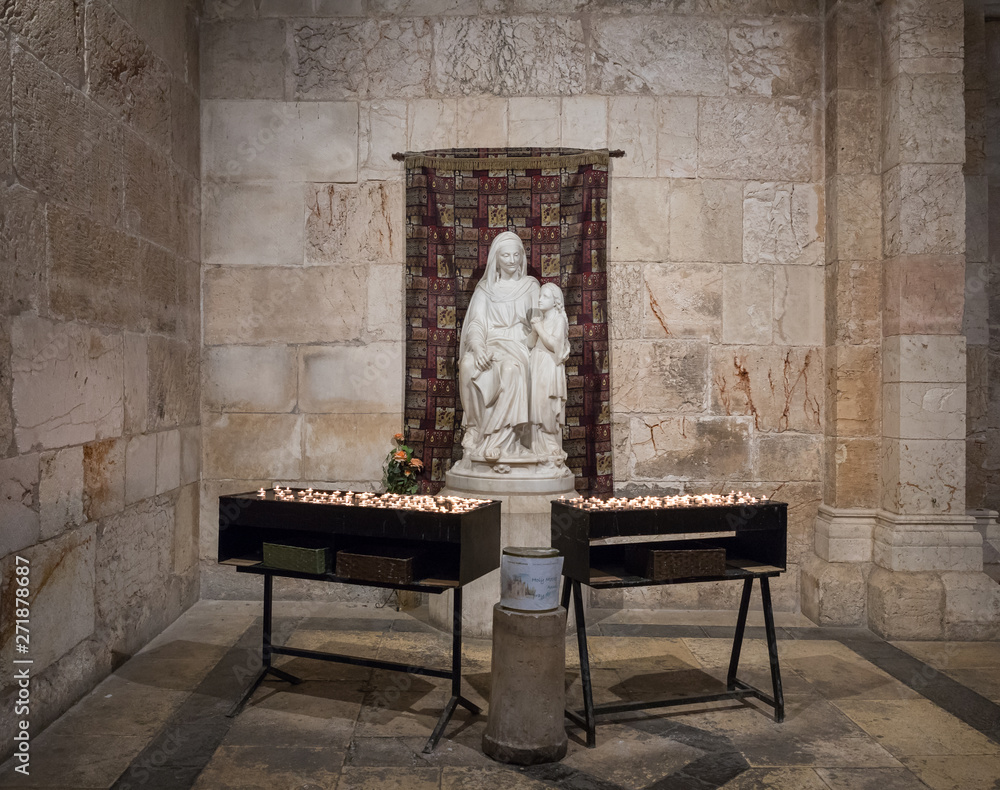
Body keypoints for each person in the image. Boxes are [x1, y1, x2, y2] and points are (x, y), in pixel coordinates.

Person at [457, 231, 540, 464]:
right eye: (506, 255)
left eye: (516, 255)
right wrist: (478, 347)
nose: (512, 260)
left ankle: (500, 439)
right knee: (467, 364)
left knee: (511, 370)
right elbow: (476, 324)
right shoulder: (486, 289)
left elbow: (540, 323)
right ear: (497, 258)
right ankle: (475, 429)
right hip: (490, 344)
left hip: (519, 345)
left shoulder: (530, 286)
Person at [528, 282, 570, 466]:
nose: (540, 299)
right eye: (540, 296)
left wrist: (539, 328)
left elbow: (555, 345)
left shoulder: (559, 320)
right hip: (537, 363)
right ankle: (537, 446)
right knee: (536, 404)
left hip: (549, 366)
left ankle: (551, 445)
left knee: (547, 404)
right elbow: (530, 343)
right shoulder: (541, 321)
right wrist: (534, 329)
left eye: (545, 296)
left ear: (555, 301)